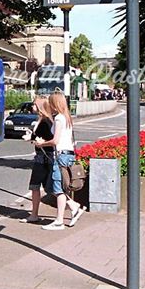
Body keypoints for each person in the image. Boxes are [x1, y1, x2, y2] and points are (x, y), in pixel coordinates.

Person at [41, 92, 84, 230]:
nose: (50, 105)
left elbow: (55, 140)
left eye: (51, 102)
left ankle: (59, 221)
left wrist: (41, 144)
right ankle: (74, 206)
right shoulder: (67, 117)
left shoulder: (59, 118)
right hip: (68, 154)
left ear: (55, 103)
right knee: (54, 186)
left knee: (58, 188)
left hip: (61, 155)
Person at [23, 96, 53, 224]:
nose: (32, 107)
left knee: (38, 186)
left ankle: (34, 214)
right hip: (44, 157)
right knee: (48, 187)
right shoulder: (45, 121)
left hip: (43, 158)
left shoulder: (45, 122)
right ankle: (34, 214)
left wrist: (34, 140)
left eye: (34, 105)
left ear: (40, 107)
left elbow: (47, 140)